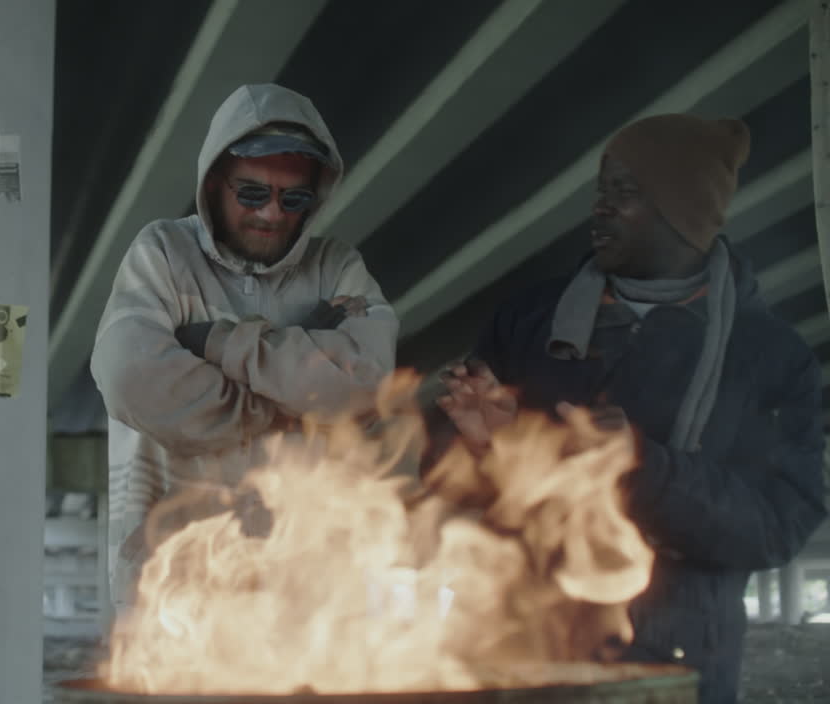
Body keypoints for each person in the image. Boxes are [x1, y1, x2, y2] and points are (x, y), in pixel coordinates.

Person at [436, 113, 827, 703]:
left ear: (683, 212)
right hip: (523, 661)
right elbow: (443, 493)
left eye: (625, 191)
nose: (600, 207)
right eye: (601, 190)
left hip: (678, 670)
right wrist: (482, 446)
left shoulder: (769, 356)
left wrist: (644, 466)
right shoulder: (529, 321)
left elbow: (778, 527)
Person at [91, 83, 399, 609]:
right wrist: (287, 402)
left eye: (293, 198)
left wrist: (218, 341)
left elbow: (366, 387)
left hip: (302, 591)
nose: (271, 214)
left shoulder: (337, 268)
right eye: (252, 193)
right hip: (174, 586)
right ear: (214, 185)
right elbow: (129, 379)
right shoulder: (163, 253)